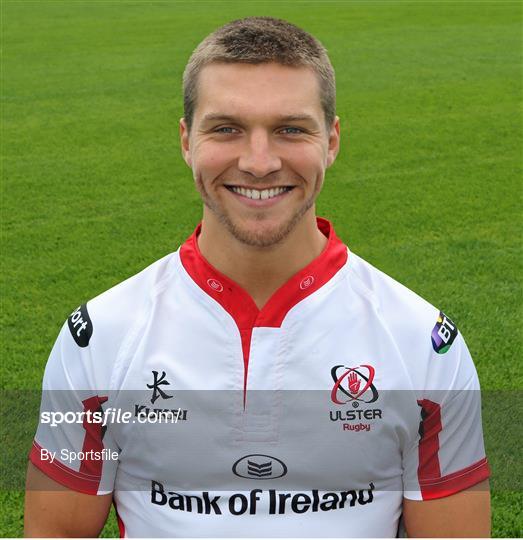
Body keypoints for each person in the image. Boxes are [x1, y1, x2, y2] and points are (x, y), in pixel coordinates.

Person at [25, 16, 491, 538]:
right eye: (226, 129)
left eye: (290, 129)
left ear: (332, 141)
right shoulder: (100, 338)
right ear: (186, 140)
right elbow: (57, 532)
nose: (259, 161)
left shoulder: (423, 345)